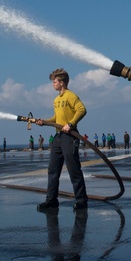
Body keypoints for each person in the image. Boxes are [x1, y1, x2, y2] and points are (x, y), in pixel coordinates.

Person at [36, 68, 89, 211]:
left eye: (54, 82)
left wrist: (71, 124)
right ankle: (51, 200)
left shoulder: (70, 96)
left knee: (74, 170)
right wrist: (44, 121)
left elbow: (81, 110)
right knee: (53, 170)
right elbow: (56, 119)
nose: (52, 84)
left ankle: (81, 200)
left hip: (70, 136)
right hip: (58, 137)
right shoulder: (56, 99)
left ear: (62, 83)